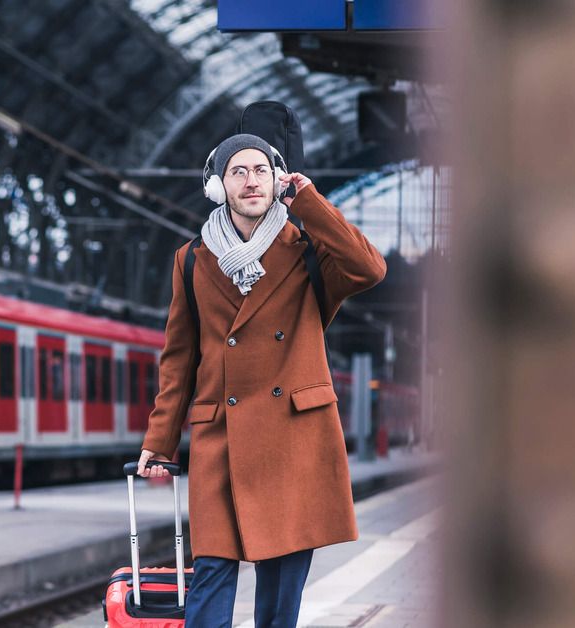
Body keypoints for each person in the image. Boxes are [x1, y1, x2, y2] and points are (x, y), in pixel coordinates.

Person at [137, 133, 387, 627]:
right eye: (238, 172)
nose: (251, 181)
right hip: (220, 440)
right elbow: (180, 359)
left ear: (278, 180)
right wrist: (159, 441)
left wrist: (310, 203)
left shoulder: (310, 251)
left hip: (292, 436)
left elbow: (370, 268)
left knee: (280, 589)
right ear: (218, 185)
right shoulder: (191, 261)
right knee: (210, 573)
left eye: (261, 171)